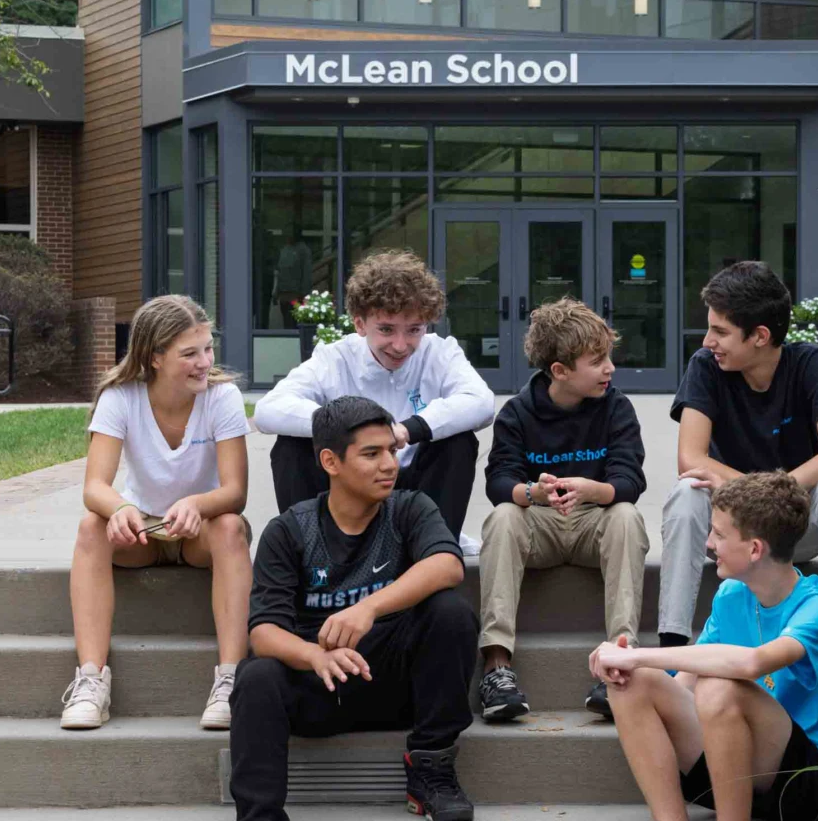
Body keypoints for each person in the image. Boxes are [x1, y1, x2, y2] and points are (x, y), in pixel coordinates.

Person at [660, 261, 818, 726]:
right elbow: (691, 457)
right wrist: (752, 493)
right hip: (730, 532)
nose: (709, 341)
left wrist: (774, 491)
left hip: (794, 527)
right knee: (687, 490)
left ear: (761, 336)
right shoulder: (705, 367)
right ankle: (673, 652)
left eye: (720, 331)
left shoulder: (810, 364)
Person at [231, 396, 479, 821]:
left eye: (391, 451)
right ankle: (260, 816)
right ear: (330, 461)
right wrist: (314, 655)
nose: (389, 465)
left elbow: (448, 565)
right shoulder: (289, 530)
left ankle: (431, 769)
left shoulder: (409, 508)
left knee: (450, 612)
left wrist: (367, 608)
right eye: (371, 454)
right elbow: (264, 632)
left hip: (395, 683)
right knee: (256, 676)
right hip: (317, 686)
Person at [593, 472, 818, 821]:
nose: (708, 542)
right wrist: (629, 667)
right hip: (730, 764)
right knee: (630, 681)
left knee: (719, 686)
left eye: (718, 534)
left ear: (754, 549)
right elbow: (682, 685)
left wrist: (637, 654)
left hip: (805, 781)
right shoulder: (732, 594)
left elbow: (753, 664)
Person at [61, 295, 252, 731]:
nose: (204, 361)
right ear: (155, 357)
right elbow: (94, 487)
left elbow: (235, 492)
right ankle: (91, 682)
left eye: (208, 348)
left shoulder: (222, 397)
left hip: (201, 532)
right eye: (190, 353)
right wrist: (123, 508)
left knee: (229, 528)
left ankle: (231, 680)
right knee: (92, 525)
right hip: (143, 532)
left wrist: (197, 504)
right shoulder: (120, 397)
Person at [477, 298, 649, 723]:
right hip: (540, 527)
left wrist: (595, 490)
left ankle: (620, 660)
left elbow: (630, 481)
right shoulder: (518, 413)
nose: (610, 368)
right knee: (502, 518)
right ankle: (497, 669)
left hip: (594, 524)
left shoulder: (616, 408)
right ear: (560, 371)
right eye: (597, 361)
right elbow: (498, 482)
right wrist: (532, 493)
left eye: (609, 356)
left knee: (627, 516)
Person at [253, 250, 493, 540]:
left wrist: (409, 428)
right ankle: (310, 551)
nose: (401, 345)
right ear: (359, 324)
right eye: (386, 330)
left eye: (414, 329)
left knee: (459, 441)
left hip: (417, 485)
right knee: (291, 445)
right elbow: (268, 411)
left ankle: (435, 548)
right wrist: (354, 429)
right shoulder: (335, 358)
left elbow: (481, 402)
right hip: (350, 482)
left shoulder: (440, 352)